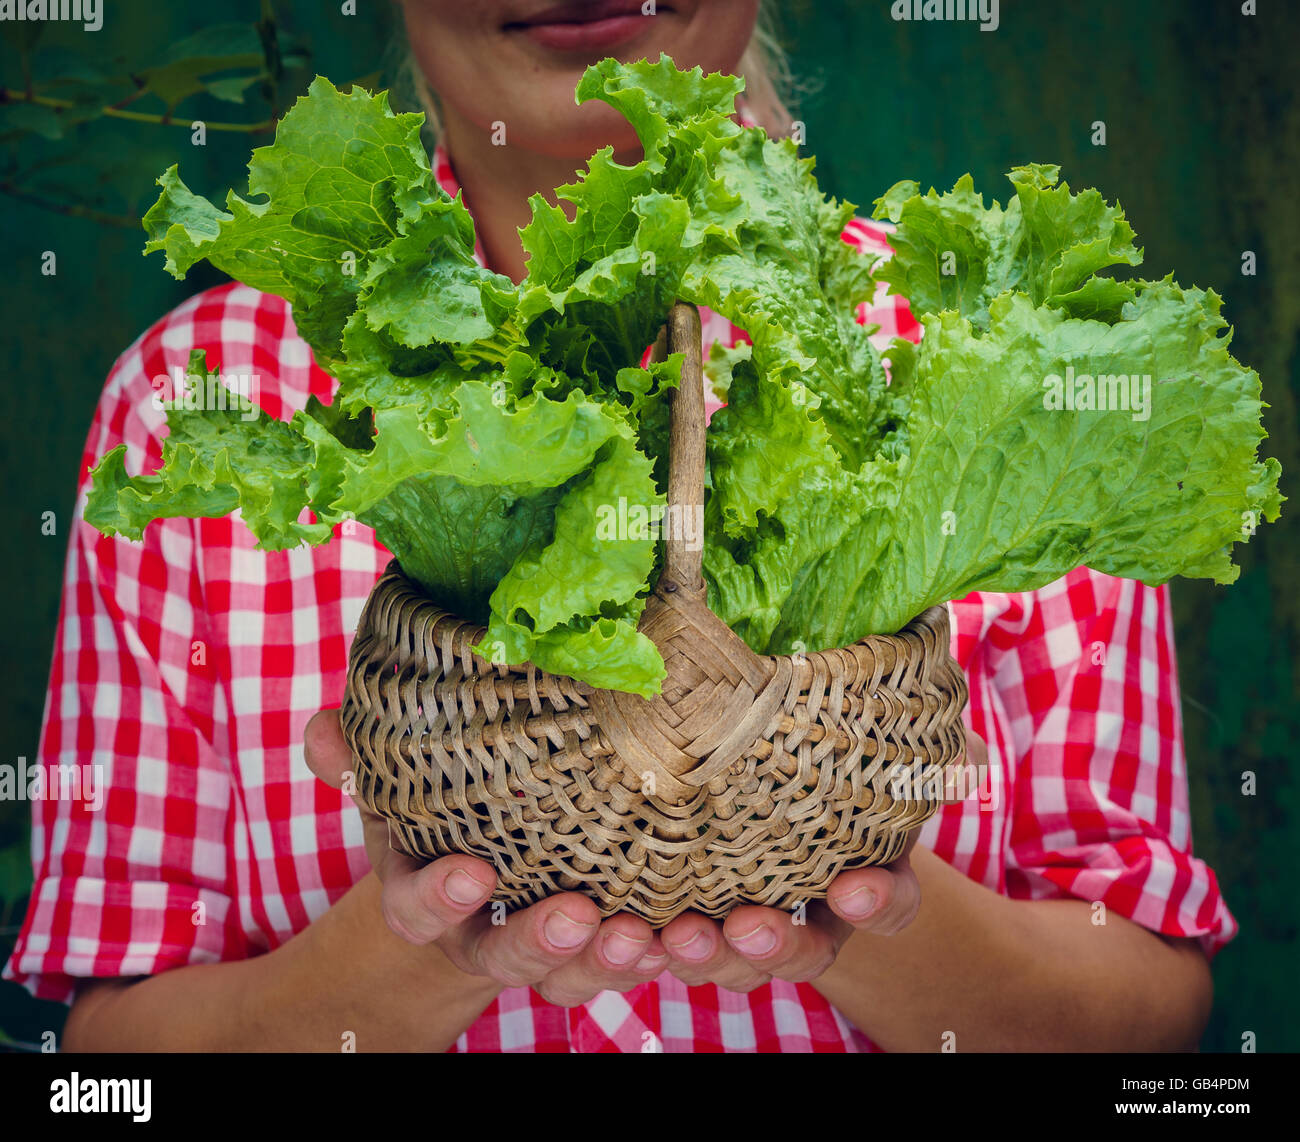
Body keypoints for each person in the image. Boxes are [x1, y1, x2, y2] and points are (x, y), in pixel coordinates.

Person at [5, 0, 1229, 1052]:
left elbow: (1151, 1017)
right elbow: (111, 1060)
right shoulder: (201, 398)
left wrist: (841, 899)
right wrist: (424, 943)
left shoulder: (988, 368)